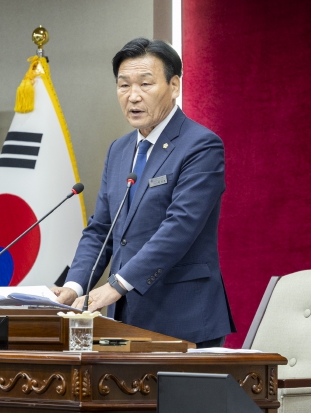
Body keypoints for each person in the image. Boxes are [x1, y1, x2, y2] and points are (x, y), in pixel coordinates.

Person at [52, 38, 236, 347]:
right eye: (123, 85)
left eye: (145, 84)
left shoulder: (201, 145)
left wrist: (116, 285)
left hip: (183, 318)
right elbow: (101, 230)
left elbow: (180, 227)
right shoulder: (119, 150)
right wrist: (74, 286)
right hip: (124, 318)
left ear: (174, 86)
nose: (133, 96)